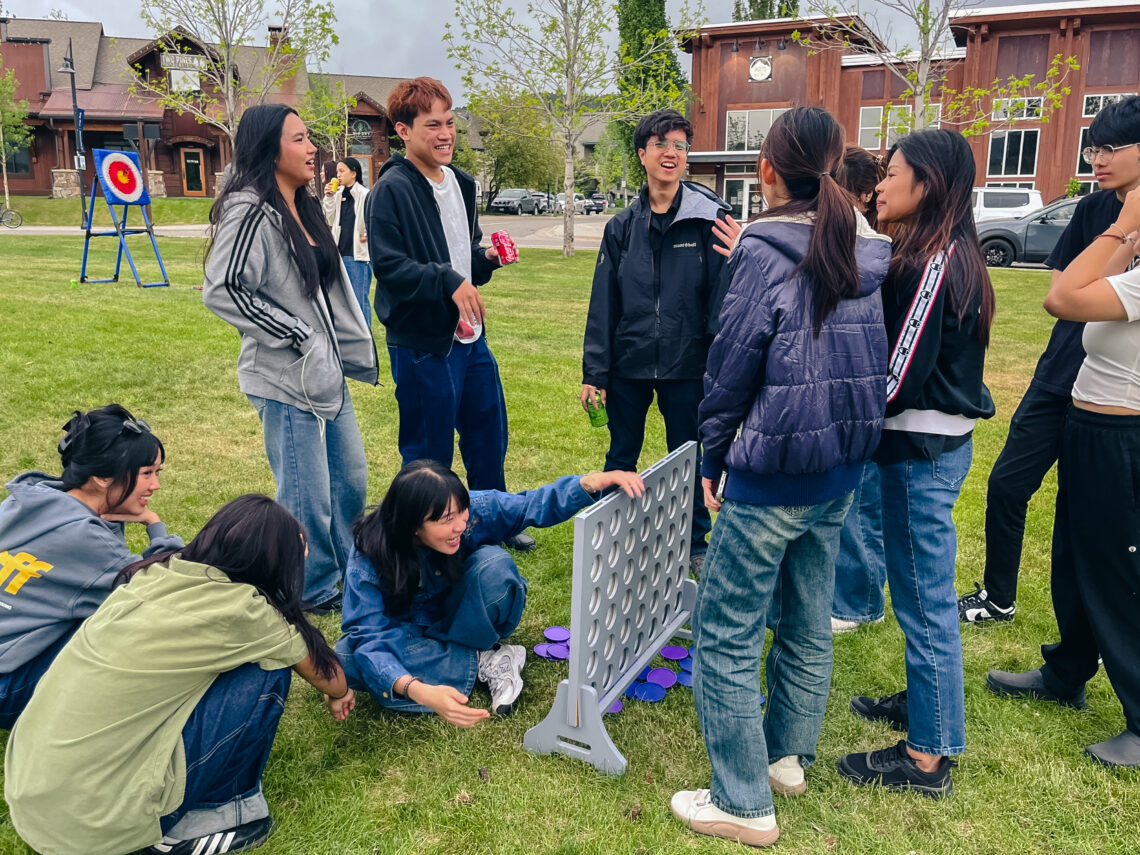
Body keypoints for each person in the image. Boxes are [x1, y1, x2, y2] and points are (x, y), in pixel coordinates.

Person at [670, 107, 891, 847]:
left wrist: (713, 453)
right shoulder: (862, 249)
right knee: (804, 617)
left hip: (772, 476)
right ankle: (783, 755)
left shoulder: (764, 252)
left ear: (767, 170)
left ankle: (742, 799)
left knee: (726, 632)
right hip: (837, 475)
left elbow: (728, 369)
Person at [4, 494, 354, 855]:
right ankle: (210, 819)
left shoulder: (152, 575)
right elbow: (327, 676)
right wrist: (340, 693)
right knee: (269, 671)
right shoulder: (244, 612)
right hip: (97, 824)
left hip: (31, 796)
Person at [837, 129, 995, 797]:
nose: (878, 185)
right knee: (916, 593)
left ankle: (927, 754)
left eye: (891, 173)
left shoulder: (940, 260)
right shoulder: (930, 250)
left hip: (918, 451)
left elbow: (899, 373)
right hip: (923, 446)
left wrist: (845, 416)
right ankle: (926, 703)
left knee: (926, 600)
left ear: (925, 184)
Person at [957, 95, 1140, 624]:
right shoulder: (1095, 209)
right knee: (1008, 484)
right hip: (1062, 373)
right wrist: (1125, 233)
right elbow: (1064, 292)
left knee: (1087, 519)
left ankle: (1090, 641)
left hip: (1119, 401)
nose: (1097, 160)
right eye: (1092, 149)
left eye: (1110, 148)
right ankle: (998, 596)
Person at [985, 187, 1140, 767]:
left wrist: (1120, 228)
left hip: (1122, 438)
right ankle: (1067, 671)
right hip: (1090, 425)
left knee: (1118, 572)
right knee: (1076, 558)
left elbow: (1061, 296)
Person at [203, 104, 379, 613]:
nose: (312, 149)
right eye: (300, 139)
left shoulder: (303, 204)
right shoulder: (250, 208)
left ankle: (348, 570)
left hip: (325, 372)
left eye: (310, 139)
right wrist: (297, 335)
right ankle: (314, 585)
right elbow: (223, 290)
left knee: (350, 480)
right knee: (306, 493)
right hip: (283, 375)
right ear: (268, 148)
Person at [336, 461, 644, 725]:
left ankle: (458, 663)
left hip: (465, 614)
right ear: (413, 526)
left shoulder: (472, 510)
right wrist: (419, 691)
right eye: (446, 520)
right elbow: (369, 635)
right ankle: (488, 659)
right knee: (348, 658)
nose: (460, 524)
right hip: (409, 634)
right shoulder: (370, 555)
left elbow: (530, 504)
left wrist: (589, 483)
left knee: (495, 565)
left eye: (462, 512)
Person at [366, 77, 532, 553]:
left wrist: (488, 261)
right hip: (422, 344)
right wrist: (448, 279)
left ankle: (491, 522)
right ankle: (417, 536)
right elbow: (391, 268)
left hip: (470, 340)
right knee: (427, 451)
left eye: (450, 122)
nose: (446, 133)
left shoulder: (461, 183)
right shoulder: (391, 190)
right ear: (403, 130)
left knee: (487, 434)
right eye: (432, 124)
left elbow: (464, 263)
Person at [581, 109, 731, 573]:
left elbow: (722, 301)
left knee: (687, 455)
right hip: (628, 365)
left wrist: (715, 365)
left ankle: (695, 542)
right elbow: (603, 302)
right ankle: (612, 535)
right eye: (662, 144)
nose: (672, 153)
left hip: (688, 366)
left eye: (681, 146)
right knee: (620, 454)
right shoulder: (621, 228)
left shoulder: (710, 220)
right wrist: (595, 373)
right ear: (642, 154)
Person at [0, 404, 182, 730]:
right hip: (5, 690)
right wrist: (156, 526)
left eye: (158, 472)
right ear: (100, 477)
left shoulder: (29, 498)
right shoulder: (88, 541)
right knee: (126, 630)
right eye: (146, 473)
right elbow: (172, 594)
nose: (155, 486)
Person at [830, 145, 890, 633]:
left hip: (862, 392)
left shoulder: (865, 241)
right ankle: (853, 595)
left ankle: (858, 603)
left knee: (861, 503)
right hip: (857, 390)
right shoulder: (871, 237)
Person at [323, 156, 373, 323]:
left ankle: (366, 338)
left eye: (342, 171)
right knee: (343, 302)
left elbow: (373, 219)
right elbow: (329, 219)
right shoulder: (337, 195)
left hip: (357, 255)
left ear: (354, 173)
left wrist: (367, 234)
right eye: (337, 171)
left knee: (359, 302)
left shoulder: (365, 195)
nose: (338, 175)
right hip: (340, 253)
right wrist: (329, 197)